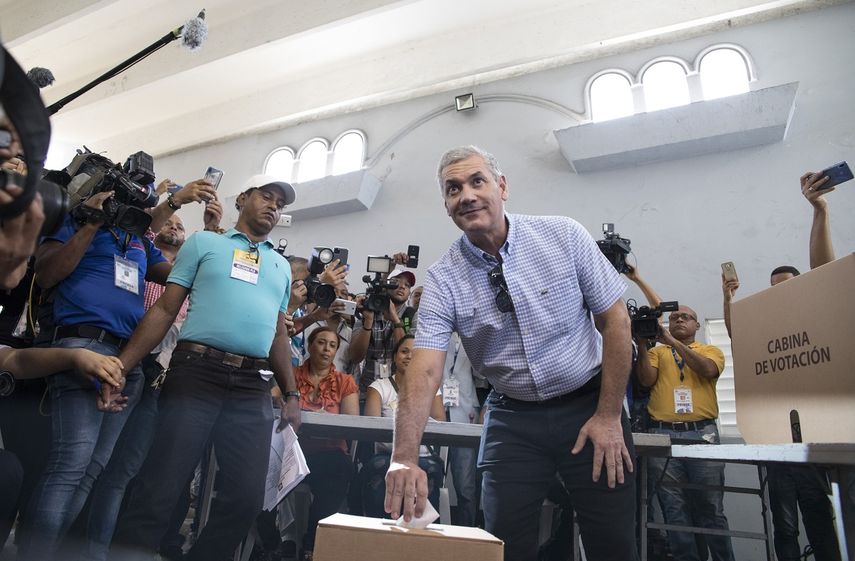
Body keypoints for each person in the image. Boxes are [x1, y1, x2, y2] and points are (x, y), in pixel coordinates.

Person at [384, 146, 636, 561]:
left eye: (477, 181)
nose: (466, 195)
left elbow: (616, 322)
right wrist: (403, 458)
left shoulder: (564, 236)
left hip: (591, 407)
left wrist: (609, 415)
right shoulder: (444, 279)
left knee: (612, 543)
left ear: (502, 187)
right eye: (453, 189)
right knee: (501, 544)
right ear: (446, 206)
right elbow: (424, 370)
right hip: (512, 418)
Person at [110, 174, 300, 561]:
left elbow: (279, 335)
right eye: (266, 196)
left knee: (247, 499)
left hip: (252, 385)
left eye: (280, 203)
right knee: (160, 488)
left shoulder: (281, 266)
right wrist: (121, 366)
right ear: (243, 198)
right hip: (196, 372)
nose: (273, 207)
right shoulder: (205, 243)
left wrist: (293, 393)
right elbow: (165, 309)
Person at [81, 203, 223, 561]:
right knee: (95, 463)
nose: (175, 227)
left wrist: (210, 229)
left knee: (127, 470)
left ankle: (103, 551)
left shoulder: (183, 273)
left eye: (180, 226)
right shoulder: (143, 258)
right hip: (129, 358)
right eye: (169, 223)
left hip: (161, 375)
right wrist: (170, 201)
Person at [722, 267, 840, 561]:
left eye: (785, 285)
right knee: (785, 528)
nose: (779, 291)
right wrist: (728, 299)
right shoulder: (767, 327)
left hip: (813, 448)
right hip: (778, 450)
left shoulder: (815, 319)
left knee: (820, 522)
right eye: (773, 286)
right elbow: (739, 335)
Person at [628, 267, 734, 561]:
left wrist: (670, 341)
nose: (677, 321)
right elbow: (646, 381)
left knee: (711, 510)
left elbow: (707, 370)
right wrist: (643, 341)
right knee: (674, 512)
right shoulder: (657, 352)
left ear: (697, 325)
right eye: (673, 318)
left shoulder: (710, 350)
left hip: (702, 435)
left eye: (684, 317)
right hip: (663, 435)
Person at [292, 326, 359, 560]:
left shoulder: (345, 381)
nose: (326, 349)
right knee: (261, 471)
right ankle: (271, 543)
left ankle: (311, 544)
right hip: (293, 452)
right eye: (321, 343)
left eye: (332, 345)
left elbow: (351, 423)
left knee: (341, 469)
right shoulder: (291, 375)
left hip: (328, 455)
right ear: (309, 346)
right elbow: (272, 400)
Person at [363, 334, 445, 518]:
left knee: (428, 470)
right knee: (380, 467)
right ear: (394, 356)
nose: (409, 356)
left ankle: (423, 538)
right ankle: (378, 531)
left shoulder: (433, 389)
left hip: (424, 456)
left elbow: (440, 423)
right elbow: (371, 426)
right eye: (404, 351)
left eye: (415, 353)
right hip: (386, 455)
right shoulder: (379, 387)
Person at [350, 267, 416, 395]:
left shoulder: (411, 315)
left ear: (409, 294)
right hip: (367, 389)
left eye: (407, 285)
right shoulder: (368, 309)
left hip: (398, 391)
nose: (402, 287)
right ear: (385, 286)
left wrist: (395, 319)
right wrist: (368, 320)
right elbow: (355, 357)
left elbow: (409, 353)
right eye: (396, 282)